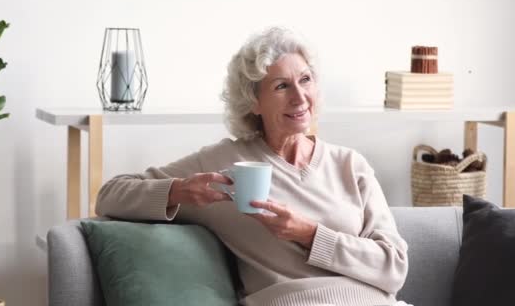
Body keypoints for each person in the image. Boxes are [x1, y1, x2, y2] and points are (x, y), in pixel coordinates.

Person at [96, 27, 410, 306]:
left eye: (305, 80)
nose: (300, 97)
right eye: (281, 86)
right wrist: (179, 190)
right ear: (254, 102)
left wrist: (311, 234)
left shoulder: (350, 165)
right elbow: (109, 195)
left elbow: (394, 267)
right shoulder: (226, 165)